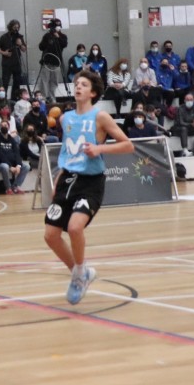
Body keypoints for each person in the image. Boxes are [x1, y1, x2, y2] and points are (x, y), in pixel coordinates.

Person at [43, 72, 134, 306]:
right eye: (76, 84)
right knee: (51, 236)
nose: (78, 87)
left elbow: (128, 145)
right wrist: (59, 178)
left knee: (74, 227)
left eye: (84, 85)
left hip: (91, 182)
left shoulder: (100, 117)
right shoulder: (65, 119)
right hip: (67, 180)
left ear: (93, 92)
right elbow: (68, 152)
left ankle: (79, 274)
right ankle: (80, 273)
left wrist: (99, 149)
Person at [0, 118, 26, 194]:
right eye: (2, 126)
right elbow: (0, 155)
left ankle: (15, 186)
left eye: (5, 125)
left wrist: (18, 165)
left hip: (11, 163)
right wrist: (10, 166)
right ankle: (8, 188)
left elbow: (17, 153)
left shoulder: (12, 139)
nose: (4, 127)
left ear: (9, 127)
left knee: (26, 167)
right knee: (5, 166)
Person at [38, 19, 68, 101]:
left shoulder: (63, 36)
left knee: (54, 81)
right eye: (56, 26)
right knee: (44, 80)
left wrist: (58, 37)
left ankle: (52, 97)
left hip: (57, 62)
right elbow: (41, 47)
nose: (57, 28)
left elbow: (64, 44)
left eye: (59, 26)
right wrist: (48, 39)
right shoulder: (47, 36)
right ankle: (43, 98)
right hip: (47, 62)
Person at [0, 19, 28, 93]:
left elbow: (24, 49)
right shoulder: (4, 37)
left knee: (17, 81)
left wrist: (20, 44)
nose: (16, 29)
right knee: (5, 82)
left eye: (18, 27)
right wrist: (4, 53)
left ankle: (15, 97)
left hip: (17, 62)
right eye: (15, 27)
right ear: (10, 27)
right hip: (7, 63)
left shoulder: (19, 37)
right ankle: (4, 98)